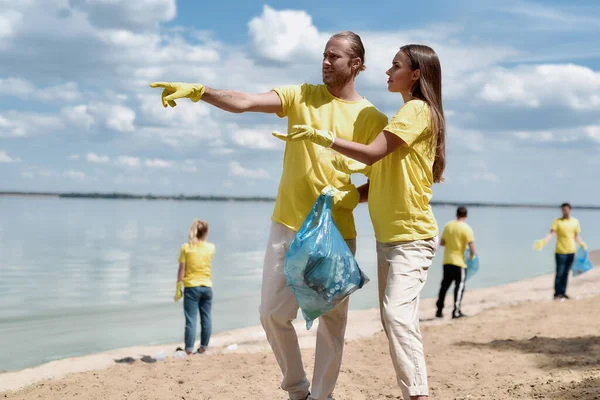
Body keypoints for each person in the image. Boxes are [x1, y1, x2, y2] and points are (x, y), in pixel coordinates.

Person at [152, 31, 388, 400]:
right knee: (272, 314)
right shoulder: (301, 95)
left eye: (334, 57)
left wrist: (349, 196)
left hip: (337, 232)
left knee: (332, 323)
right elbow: (244, 101)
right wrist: (201, 91)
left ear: (355, 65)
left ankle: (322, 396)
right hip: (288, 225)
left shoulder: (372, 117)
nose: (325, 62)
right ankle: (297, 389)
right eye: (324, 55)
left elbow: (381, 179)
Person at [273, 44, 445, 400]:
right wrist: (351, 196)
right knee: (394, 318)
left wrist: (323, 138)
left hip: (411, 237)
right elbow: (381, 178)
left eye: (395, 66)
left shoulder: (415, 110)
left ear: (415, 74)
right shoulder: (405, 115)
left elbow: (371, 153)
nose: (387, 71)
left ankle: (418, 395)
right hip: (391, 238)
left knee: (396, 316)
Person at [175, 219, 215, 355]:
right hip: (207, 287)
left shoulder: (186, 248)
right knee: (206, 318)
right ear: (206, 232)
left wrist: (178, 287)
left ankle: (188, 350)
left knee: (191, 320)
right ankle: (203, 348)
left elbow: (181, 269)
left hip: (191, 287)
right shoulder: (210, 248)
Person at [534, 203, 587, 300]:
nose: (565, 211)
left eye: (566, 209)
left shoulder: (575, 222)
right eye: (563, 209)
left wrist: (582, 244)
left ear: (570, 210)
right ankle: (556, 294)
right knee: (559, 273)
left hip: (571, 251)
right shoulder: (557, 222)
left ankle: (563, 292)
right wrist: (544, 241)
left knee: (566, 273)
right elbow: (551, 233)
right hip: (560, 252)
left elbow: (576, 236)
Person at [435, 206, 475, 319]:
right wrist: (471, 258)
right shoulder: (466, 228)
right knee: (459, 287)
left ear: (456, 214)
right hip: (460, 263)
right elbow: (472, 248)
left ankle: (439, 311)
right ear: (466, 216)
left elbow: (442, 243)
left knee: (444, 286)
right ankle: (456, 312)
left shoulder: (448, 226)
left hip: (447, 261)